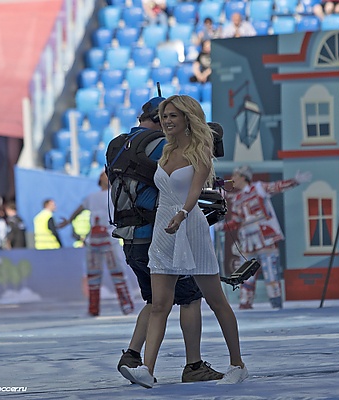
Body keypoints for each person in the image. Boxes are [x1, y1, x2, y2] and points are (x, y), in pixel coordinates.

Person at [120, 95, 248, 388]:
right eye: (164, 116)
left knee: (216, 301)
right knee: (159, 304)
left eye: (173, 116)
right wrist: (173, 216)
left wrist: (182, 214)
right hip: (164, 229)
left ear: (187, 118)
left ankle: (238, 364)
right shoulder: (166, 150)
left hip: (190, 228)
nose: (167, 121)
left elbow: (194, 190)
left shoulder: (200, 150)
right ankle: (147, 369)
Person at [225, 165, 312, 310]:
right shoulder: (237, 199)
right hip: (248, 241)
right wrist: (222, 226)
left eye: (235, 175)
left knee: (270, 270)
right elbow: (237, 221)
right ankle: (245, 302)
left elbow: (277, 186)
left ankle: (276, 303)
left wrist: (294, 181)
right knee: (245, 272)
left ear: (243, 177)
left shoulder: (259, 188)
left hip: (265, 237)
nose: (233, 178)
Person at [57, 172, 135, 317]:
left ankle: (127, 306)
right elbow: (80, 209)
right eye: (104, 175)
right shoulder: (92, 197)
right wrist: (68, 220)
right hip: (93, 240)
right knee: (93, 275)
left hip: (110, 239)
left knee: (118, 272)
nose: (107, 177)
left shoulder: (116, 194)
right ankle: (93, 309)